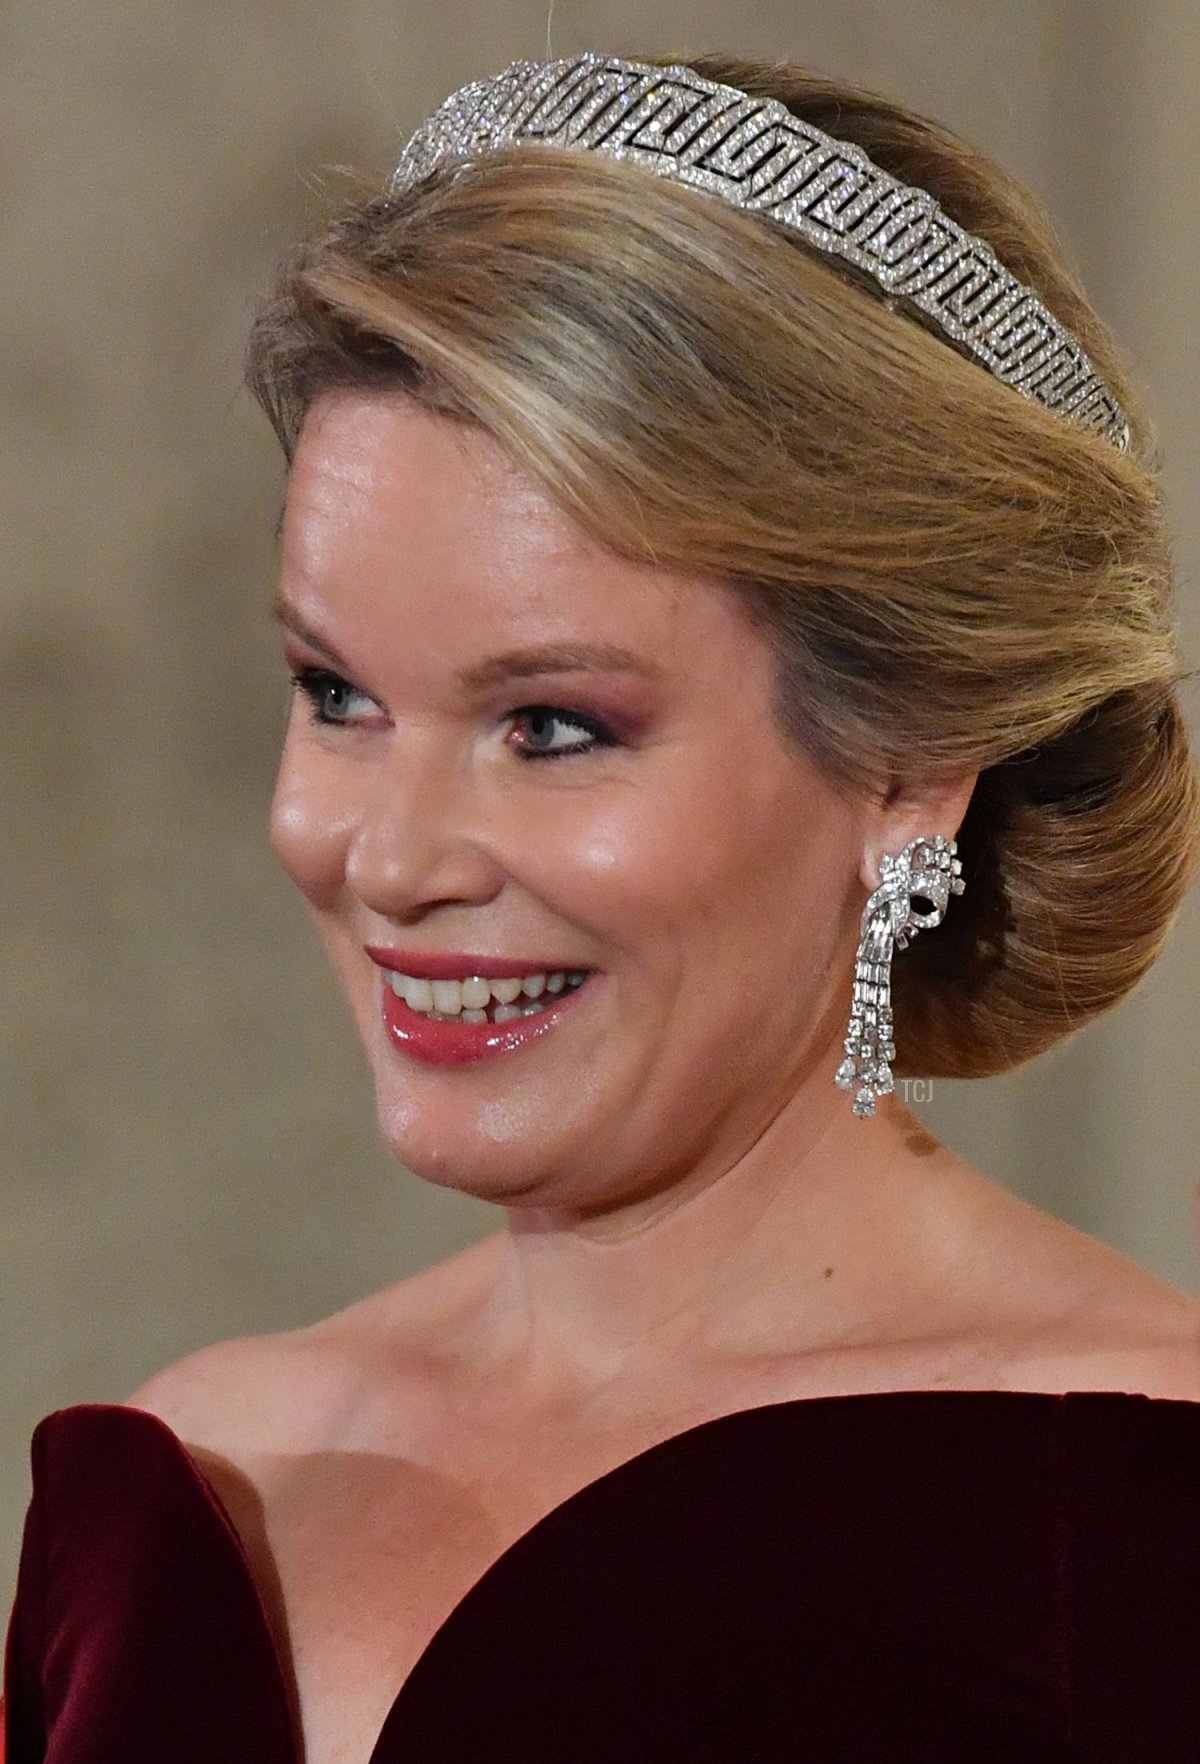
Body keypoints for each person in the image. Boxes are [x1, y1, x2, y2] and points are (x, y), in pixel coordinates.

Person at [5, 48, 1200, 1764]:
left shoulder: (1142, 1522)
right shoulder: (187, 1482)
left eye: (551, 726)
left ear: (909, 765)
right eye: (337, 695)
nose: (392, 854)